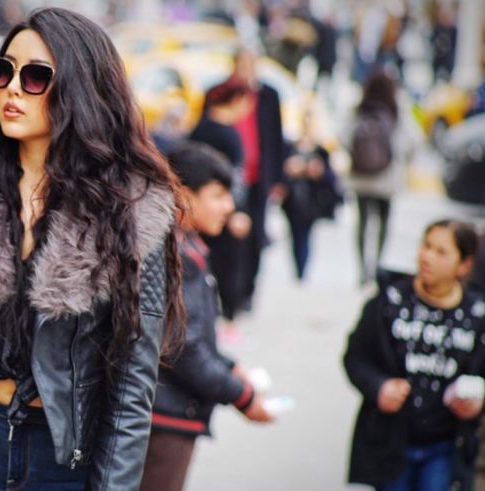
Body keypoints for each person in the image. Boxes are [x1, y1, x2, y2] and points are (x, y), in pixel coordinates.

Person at [0, 7, 183, 490]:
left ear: (82, 89)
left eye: (36, 76)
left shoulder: (131, 211)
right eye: (3, 71)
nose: (13, 88)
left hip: (58, 463)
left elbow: (131, 385)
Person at [140, 142, 274, 491]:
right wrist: (242, 395)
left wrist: (229, 367)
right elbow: (182, 348)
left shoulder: (186, 247)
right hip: (163, 419)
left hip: (166, 413)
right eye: (217, 195)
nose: (228, 207)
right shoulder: (175, 256)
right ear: (182, 194)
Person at [344, 220, 485, 490]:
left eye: (441, 252)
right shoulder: (390, 301)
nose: (427, 257)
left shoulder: (479, 314)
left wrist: (479, 400)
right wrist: (378, 387)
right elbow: (355, 356)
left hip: (445, 446)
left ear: (464, 265)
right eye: (426, 245)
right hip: (392, 442)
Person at [188, 77, 254, 336]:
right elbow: (236, 178)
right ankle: (226, 317)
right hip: (222, 211)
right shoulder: (229, 134)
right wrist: (237, 211)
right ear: (236, 102)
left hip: (199, 207)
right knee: (228, 264)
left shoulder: (200, 126)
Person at [347, 70, 418, 285]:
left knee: (362, 222)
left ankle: (363, 269)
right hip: (386, 177)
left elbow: (344, 135)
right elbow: (412, 140)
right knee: (383, 222)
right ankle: (377, 264)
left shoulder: (360, 108)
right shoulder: (396, 110)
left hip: (361, 177)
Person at [231, 47, 287, 316]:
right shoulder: (225, 94)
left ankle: (249, 292)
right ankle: (232, 290)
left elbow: (276, 139)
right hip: (231, 179)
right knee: (232, 237)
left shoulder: (268, 96)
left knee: (256, 238)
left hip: (258, 179)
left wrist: (277, 179)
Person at [281, 108, 342, 281]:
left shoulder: (321, 149)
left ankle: (302, 270)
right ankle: (298, 268)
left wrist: (317, 171)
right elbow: (281, 171)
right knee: (294, 235)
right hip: (293, 200)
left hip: (311, 201)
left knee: (306, 235)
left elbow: (331, 178)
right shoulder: (291, 146)